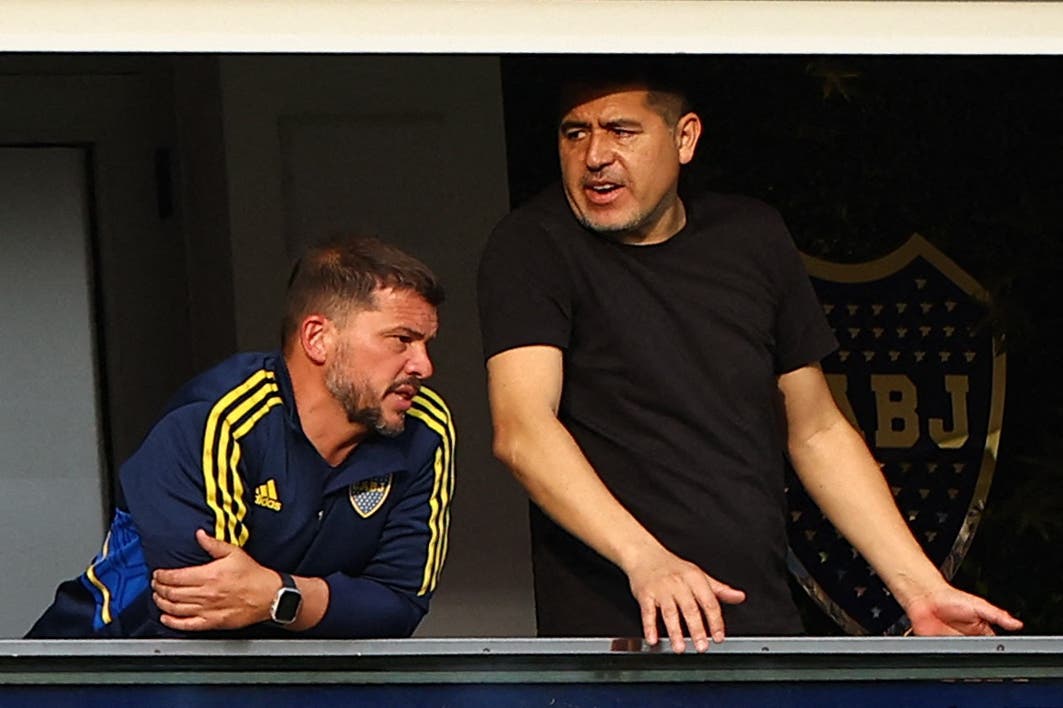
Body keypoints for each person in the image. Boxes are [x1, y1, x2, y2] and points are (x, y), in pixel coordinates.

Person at [477, 63, 1021, 653]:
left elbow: (815, 431)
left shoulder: (751, 236)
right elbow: (524, 430)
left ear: (684, 138)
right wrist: (648, 560)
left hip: (757, 623)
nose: (595, 155)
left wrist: (919, 587)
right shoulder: (534, 244)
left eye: (621, 131)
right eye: (574, 132)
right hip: (622, 634)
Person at [28, 236, 454, 638]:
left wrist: (275, 595)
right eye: (402, 340)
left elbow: (399, 605)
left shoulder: (426, 427)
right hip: (92, 672)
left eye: (427, 344)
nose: (424, 366)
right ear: (318, 338)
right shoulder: (220, 415)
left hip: (269, 683)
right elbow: (202, 610)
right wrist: (315, 602)